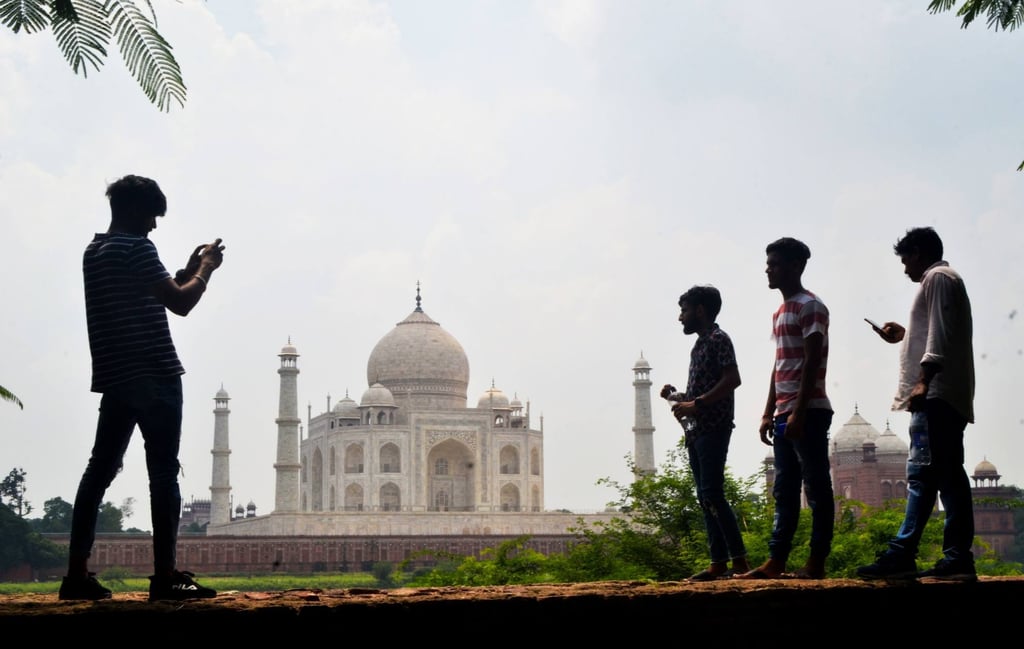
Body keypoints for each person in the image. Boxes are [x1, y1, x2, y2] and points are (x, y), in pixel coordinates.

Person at [58, 175, 225, 601]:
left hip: (116, 377)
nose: (154, 225)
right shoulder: (137, 248)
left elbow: (146, 294)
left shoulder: (95, 251)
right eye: (152, 215)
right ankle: (165, 577)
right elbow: (181, 304)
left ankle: (76, 575)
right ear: (134, 210)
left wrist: (185, 271)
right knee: (163, 474)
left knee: (98, 471)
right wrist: (205, 270)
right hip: (154, 373)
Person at [856, 227, 976, 582]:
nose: (904, 266)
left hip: (935, 396)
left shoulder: (937, 277)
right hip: (941, 395)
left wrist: (923, 382)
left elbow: (939, 337)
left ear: (919, 252)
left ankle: (923, 554)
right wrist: (904, 336)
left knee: (932, 476)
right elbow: (938, 331)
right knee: (937, 476)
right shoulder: (944, 280)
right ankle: (932, 555)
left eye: (906, 258)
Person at [737, 237, 834, 580]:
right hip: (785, 412)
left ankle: (815, 563)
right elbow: (780, 366)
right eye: (768, 263)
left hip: (808, 411)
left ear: (796, 266)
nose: (768, 268)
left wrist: (798, 411)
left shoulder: (811, 306)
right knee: (784, 489)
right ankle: (776, 560)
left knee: (817, 487)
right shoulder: (780, 311)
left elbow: (811, 362)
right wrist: (769, 412)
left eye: (775, 263)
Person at [660, 285, 749, 581]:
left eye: (684, 311)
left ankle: (739, 563)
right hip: (698, 430)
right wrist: (677, 396)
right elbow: (701, 393)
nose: (680, 318)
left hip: (714, 427)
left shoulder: (718, 339)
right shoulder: (700, 345)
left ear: (699, 310)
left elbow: (732, 379)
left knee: (712, 493)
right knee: (704, 496)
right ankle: (718, 562)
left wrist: (694, 403)